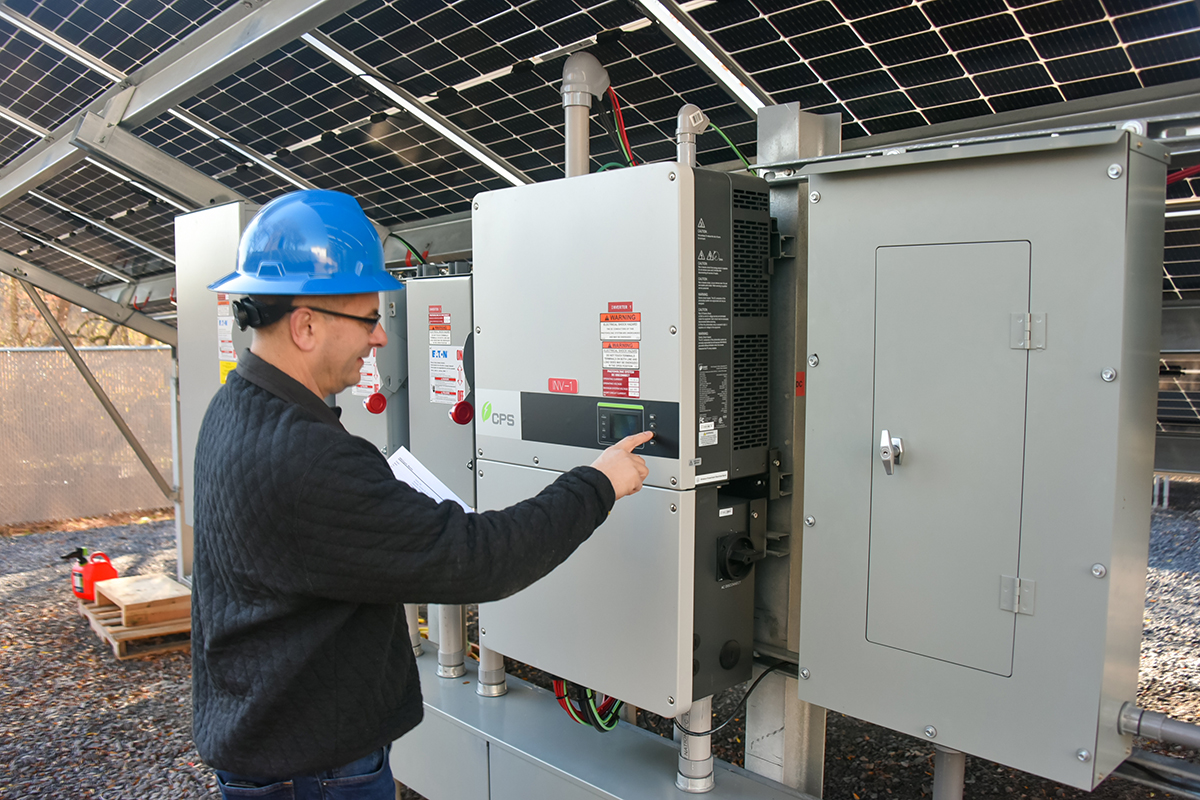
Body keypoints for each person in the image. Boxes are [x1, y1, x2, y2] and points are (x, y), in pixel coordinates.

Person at [191, 189, 652, 799]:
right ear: (305, 325)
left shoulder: (234, 406)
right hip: (313, 770)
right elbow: (475, 559)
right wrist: (598, 484)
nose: (380, 338)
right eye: (367, 319)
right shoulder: (306, 456)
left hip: (269, 740)